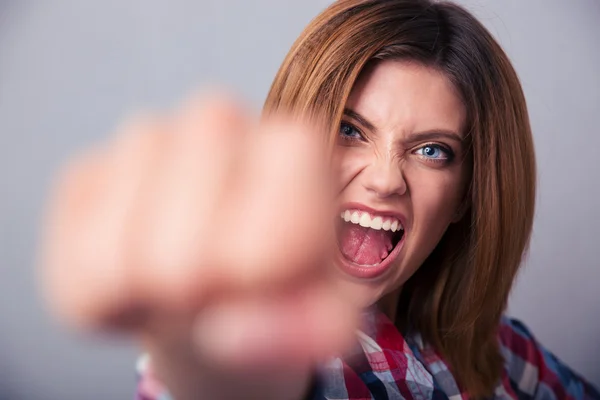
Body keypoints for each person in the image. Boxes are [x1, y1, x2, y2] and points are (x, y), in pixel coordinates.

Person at [38, 0, 600, 399]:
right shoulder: (286, 357)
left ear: (466, 197)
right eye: (351, 130)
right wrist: (208, 364)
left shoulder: (499, 353)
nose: (384, 180)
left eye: (432, 150)